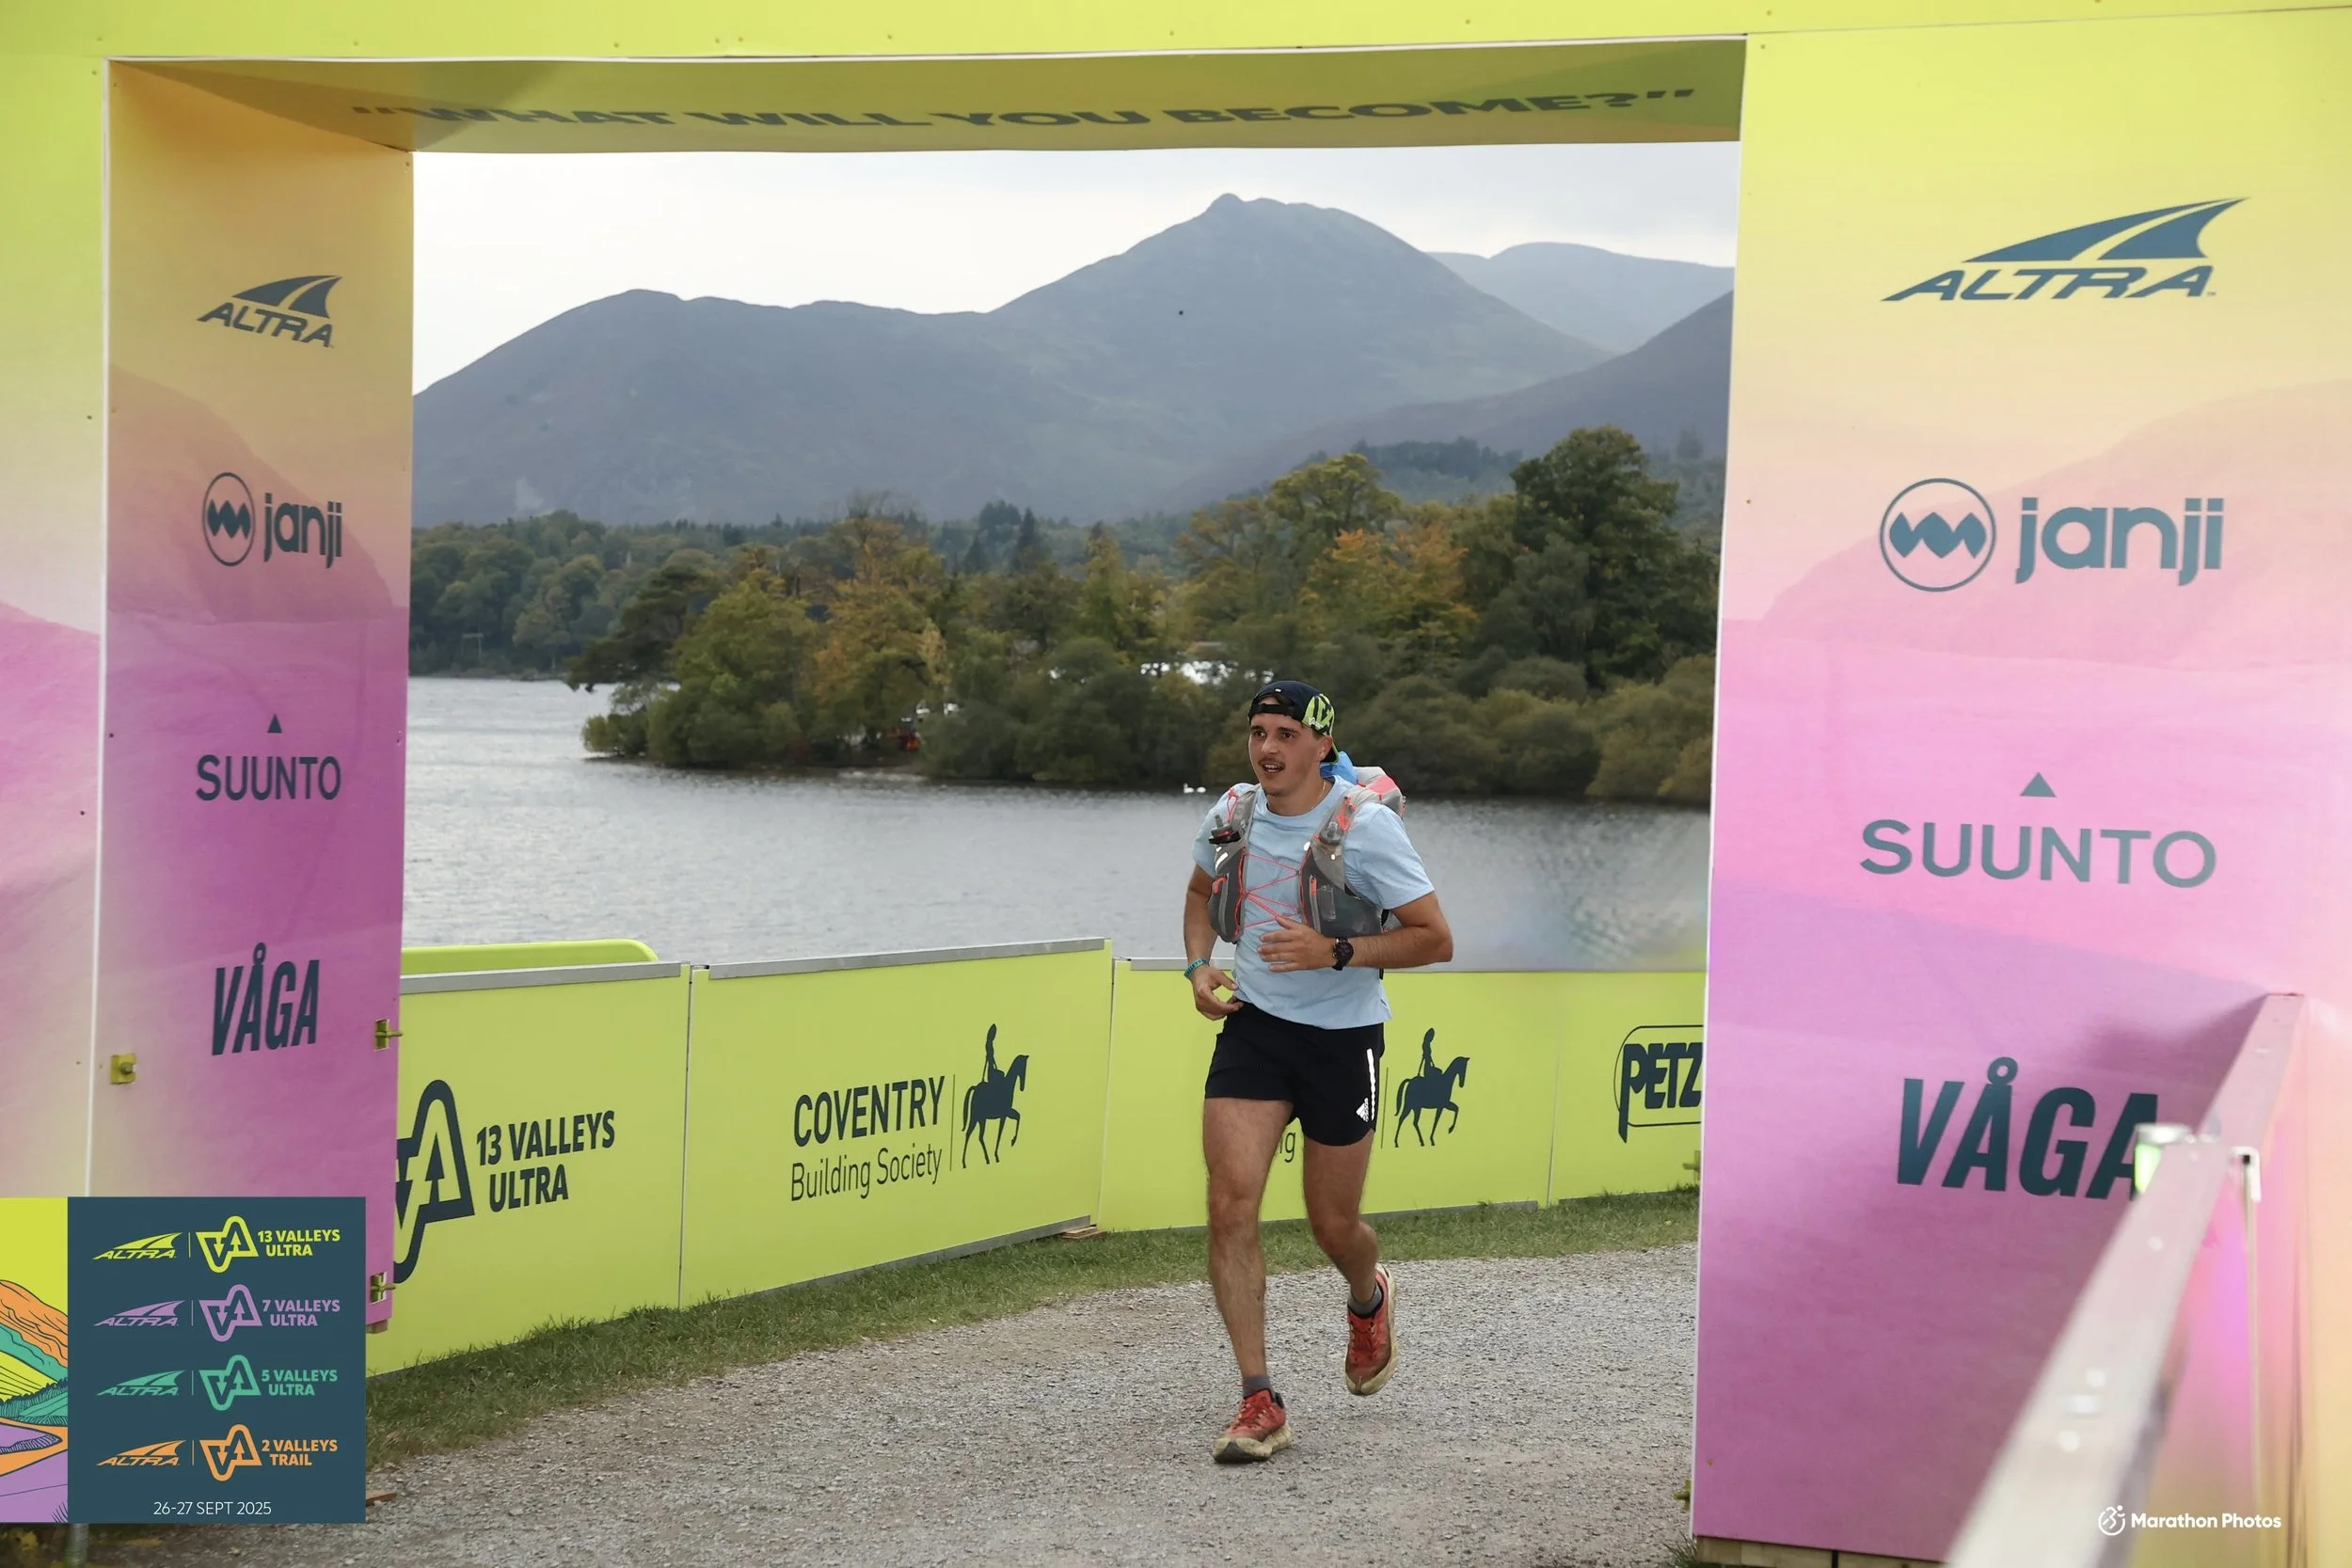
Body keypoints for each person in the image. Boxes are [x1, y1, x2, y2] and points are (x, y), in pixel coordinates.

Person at [1182, 679, 1454, 1463]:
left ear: (1321, 745)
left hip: (1343, 1036)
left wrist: (1334, 949)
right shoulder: (1233, 813)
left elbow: (1435, 938)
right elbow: (1201, 892)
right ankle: (1258, 1396)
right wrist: (1200, 966)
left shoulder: (1363, 830)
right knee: (1231, 1203)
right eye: (1259, 732)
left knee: (1332, 1225)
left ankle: (1368, 1298)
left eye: (1286, 734)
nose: (1268, 748)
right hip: (1256, 1030)